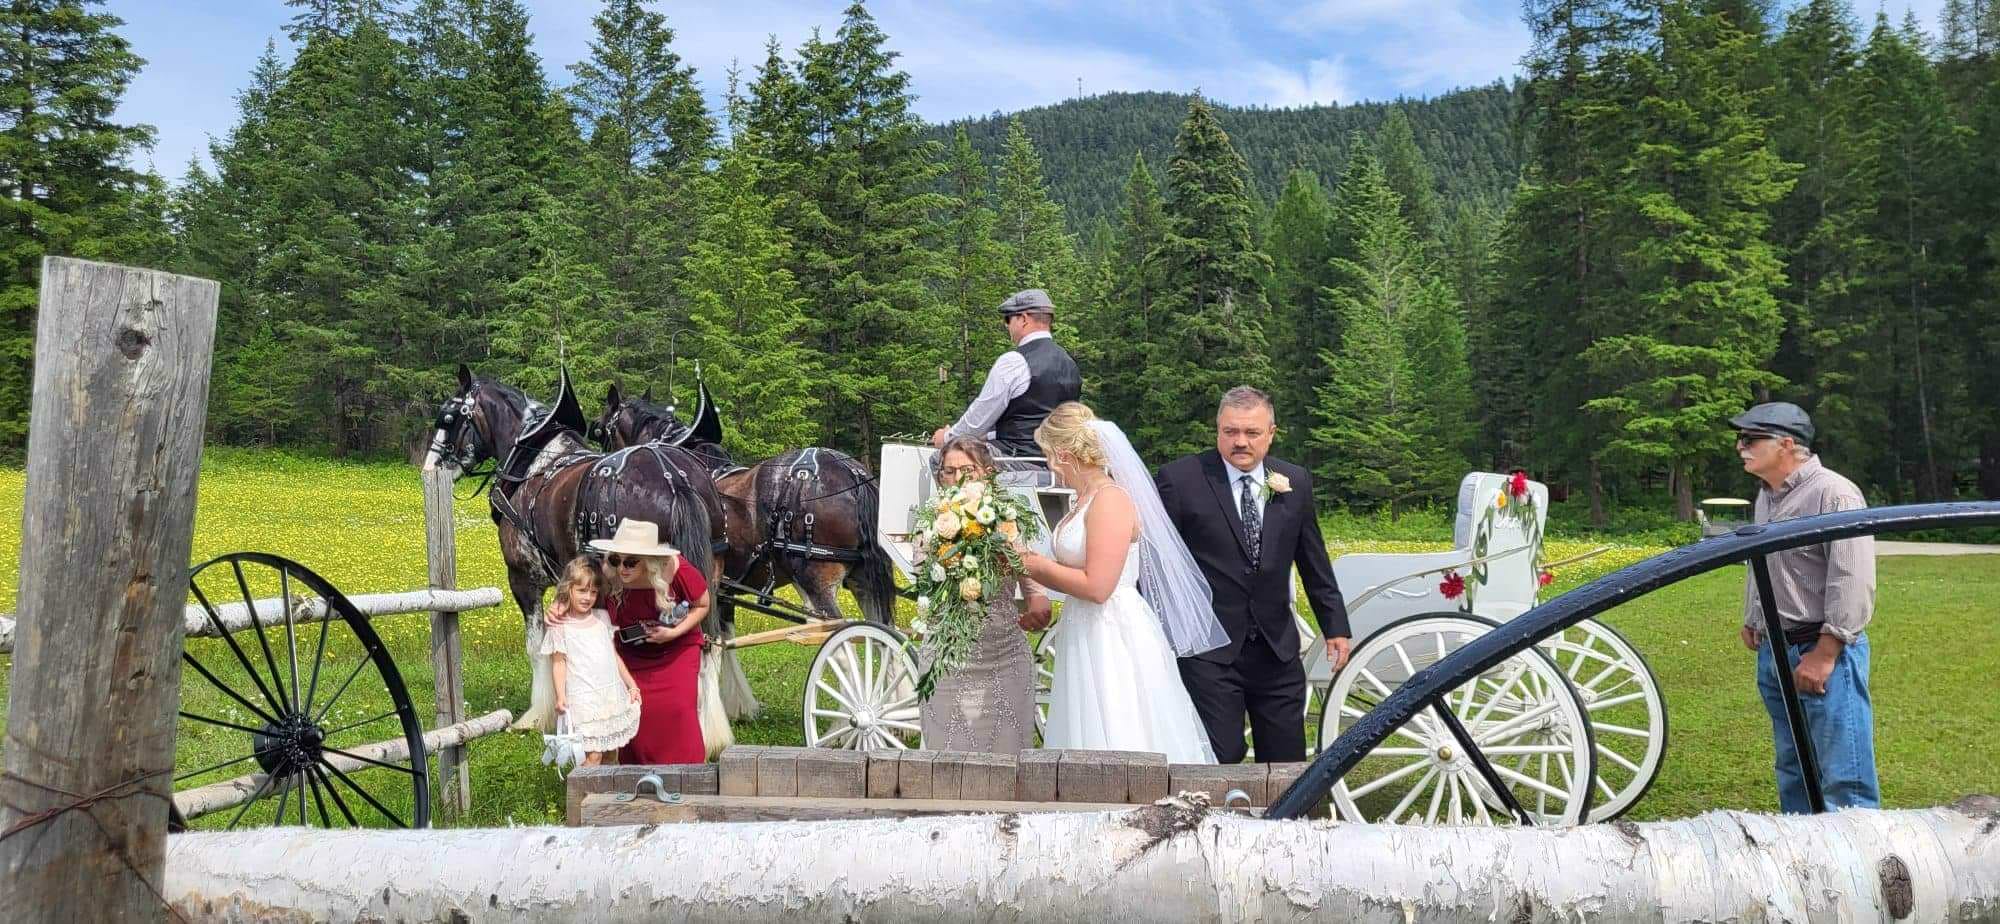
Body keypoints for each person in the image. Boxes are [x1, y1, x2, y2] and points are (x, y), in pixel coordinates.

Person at [1013, 402, 1222, 763]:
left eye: (1048, 456)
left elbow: (1098, 586)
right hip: (1085, 628)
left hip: (1112, 633)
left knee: (1118, 722)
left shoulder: (1110, 500)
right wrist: (1028, 566)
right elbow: (1076, 578)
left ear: (1064, 454)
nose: (1049, 466)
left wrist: (1032, 564)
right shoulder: (1084, 500)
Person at [1154, 386, 1351, 764]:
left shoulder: (1295, 482)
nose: (1240, 442)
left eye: (1251, 433)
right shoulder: (1180, 480)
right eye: (1230, 432)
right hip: (1208, 649)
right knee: (1220, 757)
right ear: (1217, 430)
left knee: (1286, 764)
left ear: (1271, 433)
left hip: (1277, 650)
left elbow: (1313, 560)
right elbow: (1158, 567)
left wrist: (1335, 626)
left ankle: (1284, 825)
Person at [1731, 401, 1879, 813]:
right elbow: (1762, 562)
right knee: (1793, 768)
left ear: (1787, 444)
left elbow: (1852, 577)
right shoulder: (1767, 497)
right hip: (1776, 651)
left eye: (1750, 438)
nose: (1740, 446)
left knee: (1845, 779)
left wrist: (1826, 653)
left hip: (1820, 650)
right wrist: (1753, 617)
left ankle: (1858, 871)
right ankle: (1805, 867)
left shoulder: (1834, 493)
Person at [916, 437, 1051, 753]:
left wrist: (1038, 598)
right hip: (948, 657)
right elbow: (925, 578)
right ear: (941, 477)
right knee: (951, 762)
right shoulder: (931, 524)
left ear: (987, 474)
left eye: (968, 470)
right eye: (950, 471)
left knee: (1009, 762)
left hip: (1004, 655)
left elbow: (1026, 566)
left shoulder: (1006, 519)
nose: (959, 478)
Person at [592, 519, 717, 764]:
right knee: (636, 712)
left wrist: (673, 632)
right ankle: (638, 776)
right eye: (617, 560)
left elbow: (703, 605)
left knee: (678, 709)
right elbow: (573, 589)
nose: (622, 570)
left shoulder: (677, 570)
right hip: (631, 655)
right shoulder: (608, 571)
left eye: (630, 562)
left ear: (649, 561)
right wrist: (557, 608)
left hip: (677, 649)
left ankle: (688, 774)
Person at [930, 289, 1082, 461]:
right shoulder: (1070, 364)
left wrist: (948, 437)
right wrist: (987, 436)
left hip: (1016, 459)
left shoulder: (1014, 361)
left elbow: (979, 418)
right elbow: (1035, 420)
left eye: (1008, 319)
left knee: (941, 459)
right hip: (1060, 464)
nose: (1006, 325)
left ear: (1024, 319)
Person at [541, 557, 641, 766]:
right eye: (582, 591)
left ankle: (605, 796)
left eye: (593, 592)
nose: (588, 597)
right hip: (584, 700)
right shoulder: (560, 626)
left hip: (609, 695)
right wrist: (560, 696)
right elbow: (559, 662)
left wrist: (631, 685)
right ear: (568, 589)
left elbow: (613, 656)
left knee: (611, 752)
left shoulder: (601, 619)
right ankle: (582, 795)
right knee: (592, 755)